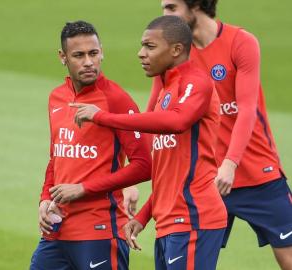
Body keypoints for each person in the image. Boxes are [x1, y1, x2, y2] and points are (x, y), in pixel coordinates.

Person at [66, 15, 228, 270]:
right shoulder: (166, 92)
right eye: (142, 46)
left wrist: (103, 117)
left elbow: (178, 121)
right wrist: (142, 217)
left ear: (176, 50)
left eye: (150, 47)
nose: (141, 53)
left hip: (195, 217)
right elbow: (168, 175)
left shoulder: (196, 82)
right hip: (169, 224)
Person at [144, 0, 292, 268]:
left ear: (196, 5)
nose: (164, 15)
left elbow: (247, 109)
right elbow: (153, 115)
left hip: (257, 172)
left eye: (170, 8)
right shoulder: (173, 52)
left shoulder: (241, 42)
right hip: (202, 181)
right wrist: (137, 176)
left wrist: (230, 161)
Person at [29, 20, 152, 270]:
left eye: (93, 53)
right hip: (56, 231)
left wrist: (83, 188)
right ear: (62, 57)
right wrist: (44, 199)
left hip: (99, 232)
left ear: (102, 52)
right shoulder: (57, 98)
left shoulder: (116, 99)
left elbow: (144, 165)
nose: (88, 62)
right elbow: (57, 157)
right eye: (79, 55)